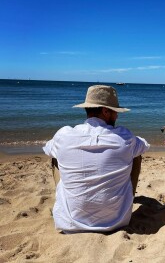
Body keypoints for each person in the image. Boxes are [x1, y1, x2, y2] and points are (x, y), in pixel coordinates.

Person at [43, 85, 150, 233]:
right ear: (105, 111)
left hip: (70, 223)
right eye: (115, 112)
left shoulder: (64, 135)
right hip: (117, 221)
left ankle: (71, 201)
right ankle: (126, 198)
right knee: (136, 154)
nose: (117, 116)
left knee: (55, 155)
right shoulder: (123, 137)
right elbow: (145, 145)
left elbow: (47, 148)